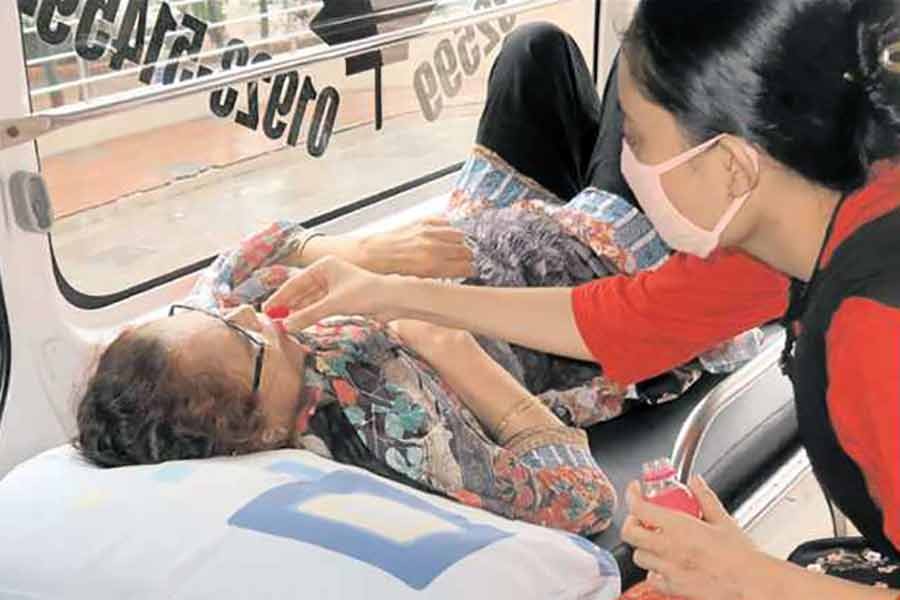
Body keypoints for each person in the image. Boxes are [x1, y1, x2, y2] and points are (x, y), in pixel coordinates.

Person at [263, 0, 900, 596]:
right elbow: (613, 320)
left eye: (639, 143)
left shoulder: (874, 333)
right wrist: (393, 291)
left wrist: (748, 578)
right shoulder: (808, 224)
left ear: (733, 165)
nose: (619, 163)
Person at [75, 218, 618, 536]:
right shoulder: (397, 435)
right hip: (565, 281)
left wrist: (364, 252)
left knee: (533, 53)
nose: (244, 313)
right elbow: (582, 500)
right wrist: (447, 344)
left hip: (481, 223)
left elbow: (234, 268)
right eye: (244, 337)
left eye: (210, 316)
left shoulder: (212, 348)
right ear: (262, 430)